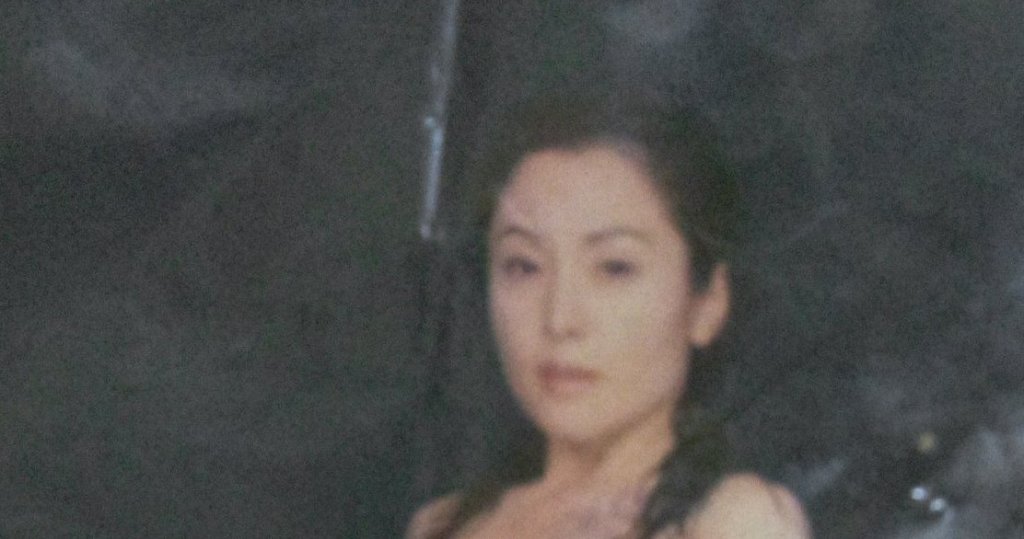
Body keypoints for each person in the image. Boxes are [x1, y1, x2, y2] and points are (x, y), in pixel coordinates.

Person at [407, 89, 811, 538]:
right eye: (523, 266)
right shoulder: (444, 525)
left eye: (615, 268)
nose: (559, 320)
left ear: (708, 302)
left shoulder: (733, 519)